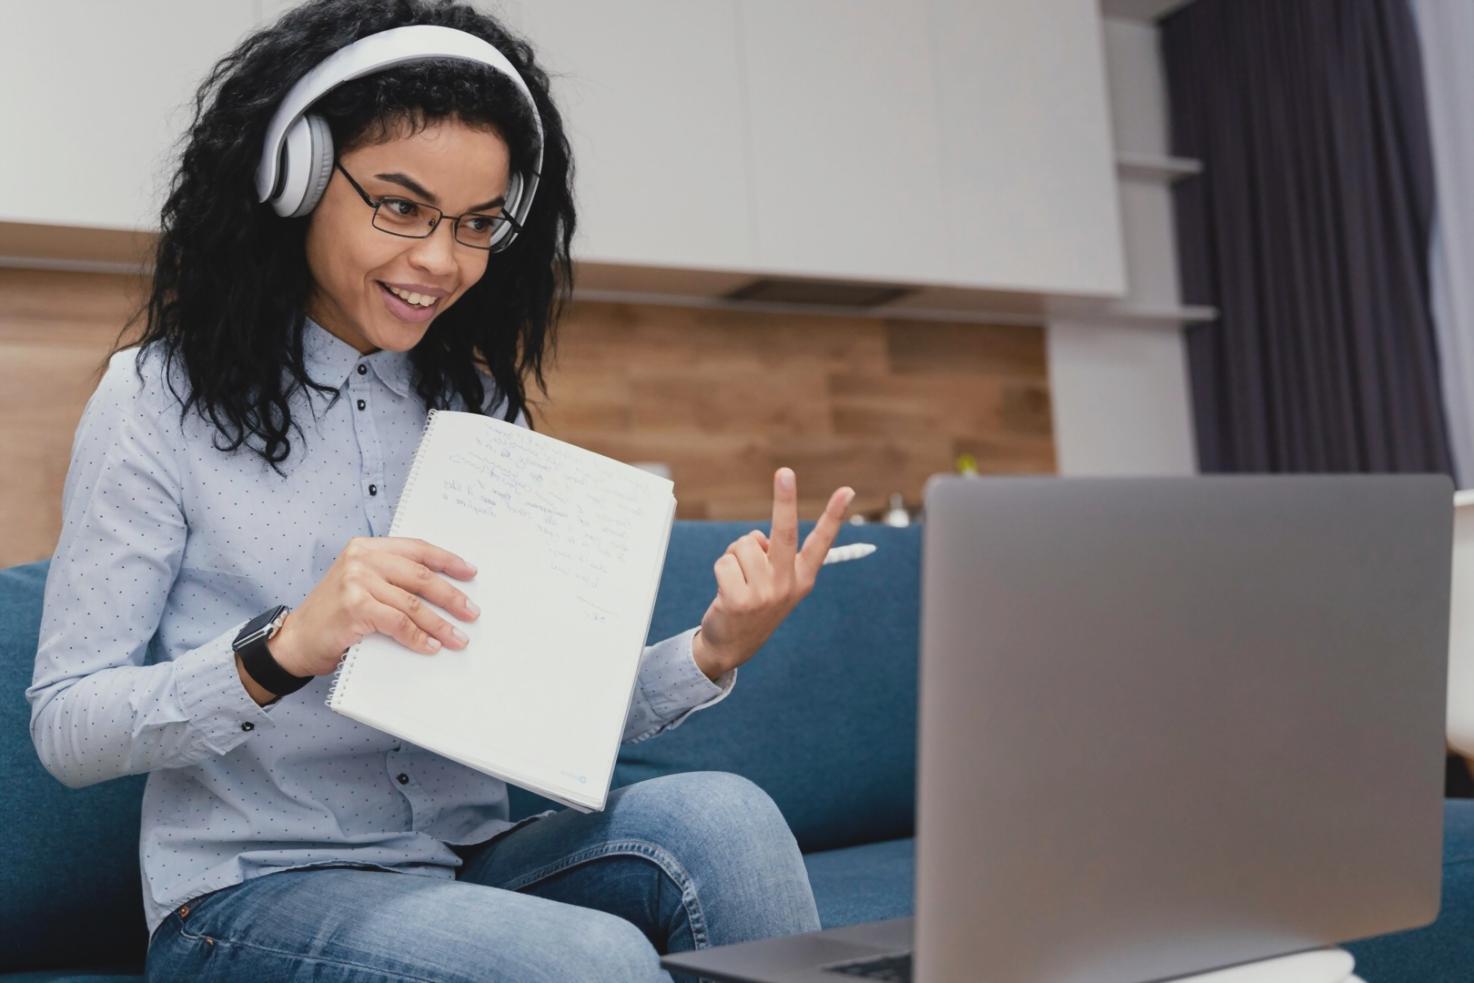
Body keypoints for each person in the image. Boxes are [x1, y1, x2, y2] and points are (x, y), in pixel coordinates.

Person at [25, 1, 856, 979]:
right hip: (248, 897)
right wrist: (283, 646)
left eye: (474, 225)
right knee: (586, 957)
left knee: (726, 814)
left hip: (466, 866)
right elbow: (65, 723)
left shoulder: (476, 407)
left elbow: (539, 709)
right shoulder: (155, 400)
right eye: (400, 206)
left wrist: (715, 648)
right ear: (292, 181)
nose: (440, 261)